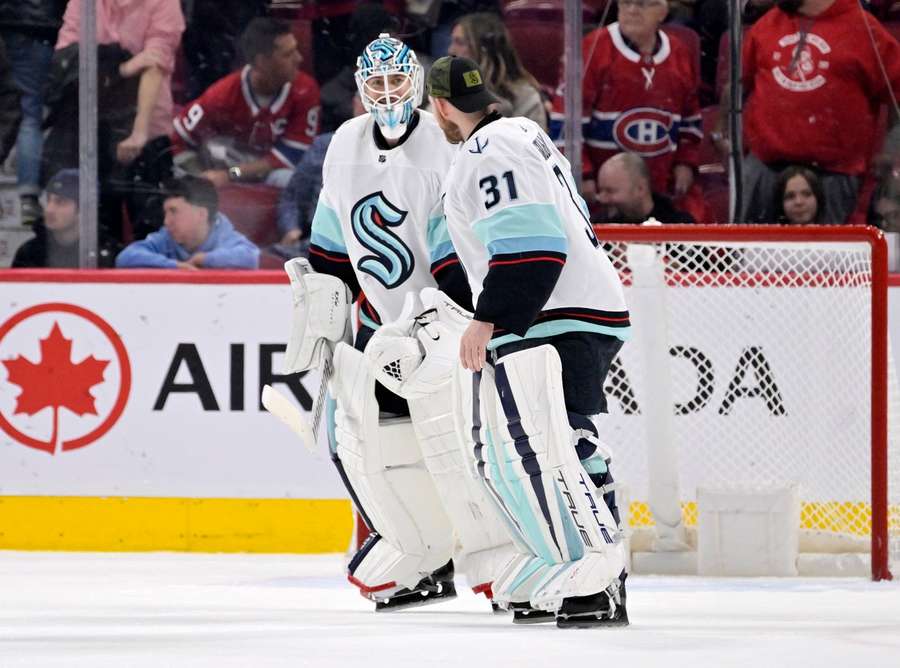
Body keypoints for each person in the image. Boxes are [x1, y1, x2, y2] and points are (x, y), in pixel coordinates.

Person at [292, 34, 515, 612]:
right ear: (362, 90)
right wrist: (326, 306)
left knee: (459, 444)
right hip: (377, 326)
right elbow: (332, 241)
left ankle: (501, 561)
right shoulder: (345, 142)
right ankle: (421, 557)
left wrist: (455, 313)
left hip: (443, 320)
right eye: (376, 85)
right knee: (363, 441)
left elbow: (458, 239)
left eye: (396, 82)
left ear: (415, 85)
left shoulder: (442, 144)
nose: (387, 94)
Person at [428, 55, 631, 627]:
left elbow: (532, 247)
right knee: (548, 443)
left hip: (558, 314)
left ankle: (600, 577)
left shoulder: (487, 150)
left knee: (563, 442)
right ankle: (585, 572)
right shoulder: (520, 132)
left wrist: (488, 317)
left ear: (441, 106)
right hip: (568, 309)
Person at [723, 0, 900, 224]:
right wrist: (723, 132)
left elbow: (897, 92)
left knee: (830, 256)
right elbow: (739, 84)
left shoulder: (866, 30)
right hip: (765, 169)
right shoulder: (766, 25)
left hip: (833, 174)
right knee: (752, 253)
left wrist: (891, 147)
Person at [551, 0, 703, 220]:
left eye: (641, 4)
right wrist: (583, 174)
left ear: (662, 11)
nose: (632, 10)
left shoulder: (678, 52)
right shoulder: (593, 48)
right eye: (626, 3)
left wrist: (685, 162)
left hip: (659, 190)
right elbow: (565, 120)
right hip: (604, 197)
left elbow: (690, 117)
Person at [171, 17, 320, 189]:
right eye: (288, 54)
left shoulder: (305, 89)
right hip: (219, 171)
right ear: (261, 62)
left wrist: (232, 173)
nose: (299, 58)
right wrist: (200, 177)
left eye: (296, 50)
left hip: (263, 173)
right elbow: (178, 139)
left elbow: (292, 156)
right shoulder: (221, 96)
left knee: (299, 182)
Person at [274, 96, 367, 258]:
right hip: (317, 247)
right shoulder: (326, 146)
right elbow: (292, 198)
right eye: (365, 101)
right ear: (355, 104)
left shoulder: (405, 154)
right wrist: (291, 229)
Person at [0, 0, 66, 224]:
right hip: (43, 29)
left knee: (19, 107)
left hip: (9, 24)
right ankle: (28, 193)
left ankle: (25, 190)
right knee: (31, 112)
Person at [115, 175, 259, 269]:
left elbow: (250, 257)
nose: (166, 222)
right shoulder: (165, 238)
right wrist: (176, 266)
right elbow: (126, 257)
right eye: (166, 213)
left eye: (174, 211)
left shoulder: (225, 237)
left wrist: (205, 260)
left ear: (201, 214)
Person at [447, 12, 547, 130]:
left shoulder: (526, 97)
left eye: (460, 42)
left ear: (484, 50)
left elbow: (533, 146)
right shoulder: (449, 87)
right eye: (452, 42)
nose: (451, 50)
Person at [12, 169, 119, 268]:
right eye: (48, 200)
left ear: (85, 208)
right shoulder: (29, 253)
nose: (49, 209)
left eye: (60, 202)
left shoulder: (109, 253)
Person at [595, 151, 697, 224]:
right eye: (600, 191)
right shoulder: (594, 229)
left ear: (640, 189)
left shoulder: (680, 227)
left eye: (610, 191)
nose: (602, 199)